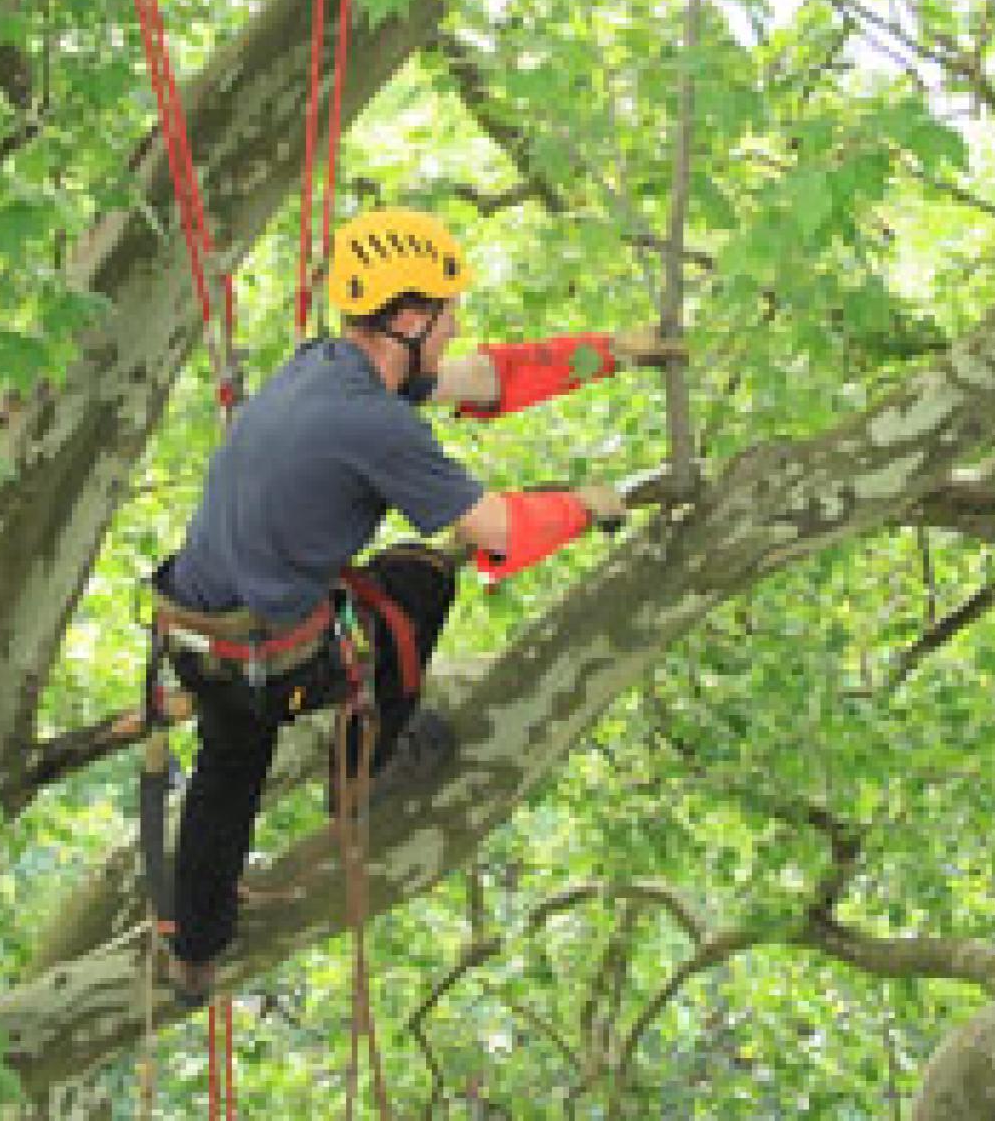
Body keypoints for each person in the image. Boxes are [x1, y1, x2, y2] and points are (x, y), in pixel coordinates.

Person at [150, 207, 683, 1001]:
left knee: (230, 763)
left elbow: (484, 377)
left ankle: (194, 947)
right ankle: (362, 772)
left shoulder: (325, 364)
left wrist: (612, 352)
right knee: (418, 582)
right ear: (407, 319)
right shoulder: (375, 424)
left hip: (195, 634)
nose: (455, 324)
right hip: (266, 655)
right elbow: (497, 529)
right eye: (446, 311)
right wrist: (593, 503)